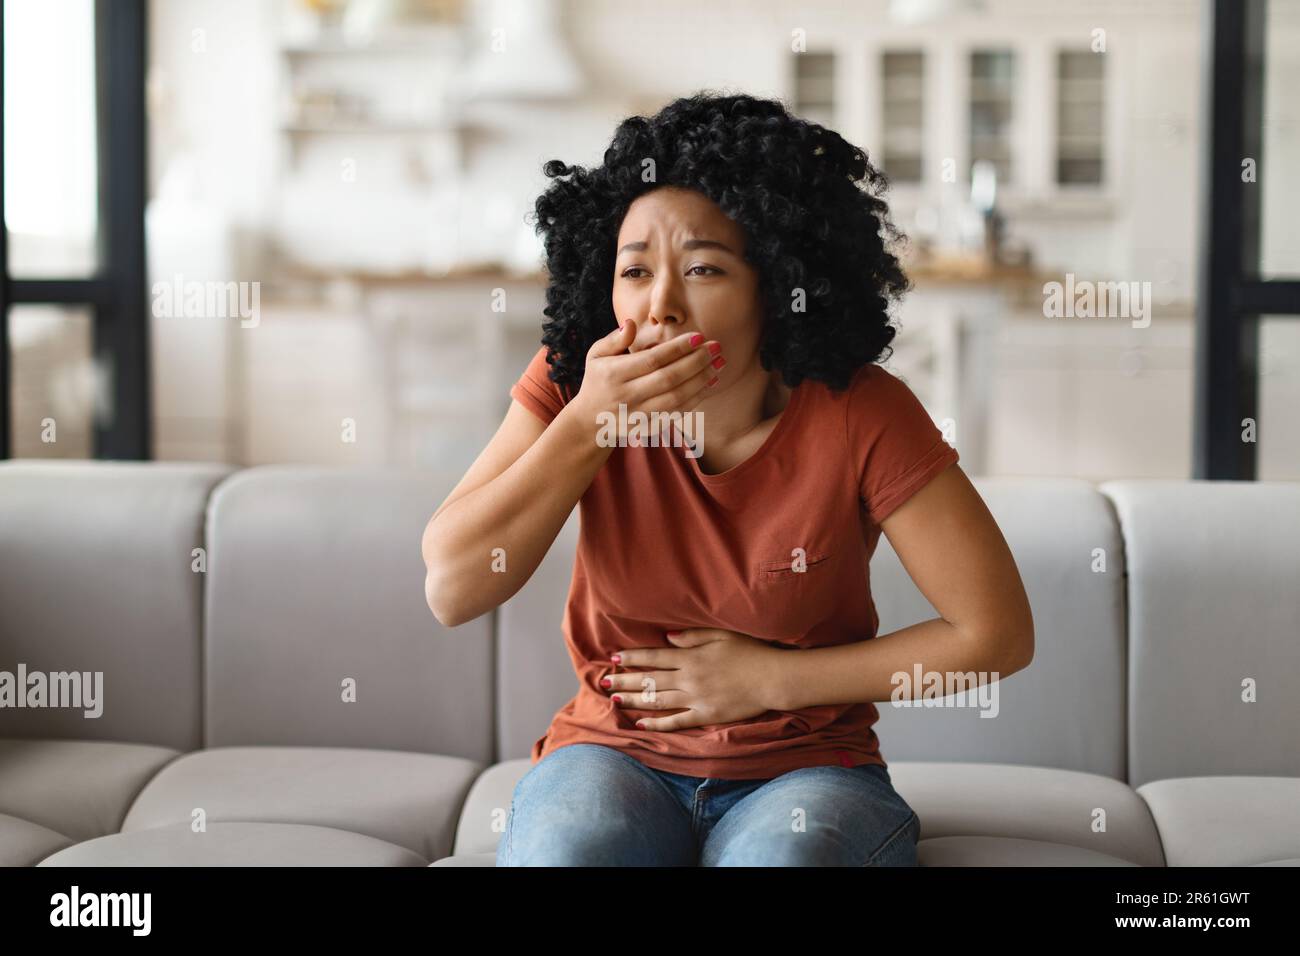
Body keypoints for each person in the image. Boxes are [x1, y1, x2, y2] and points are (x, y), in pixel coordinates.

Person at [422, 91, 1035, 866]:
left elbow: (995, 635)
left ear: (774, 287)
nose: (661, 306)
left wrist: (772, 680)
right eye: (634, 270)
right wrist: (586, 427)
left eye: (704, 268)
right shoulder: (576, 382)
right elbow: (451, 588)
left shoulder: (861, 411)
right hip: (611, 758)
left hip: (806, 770)